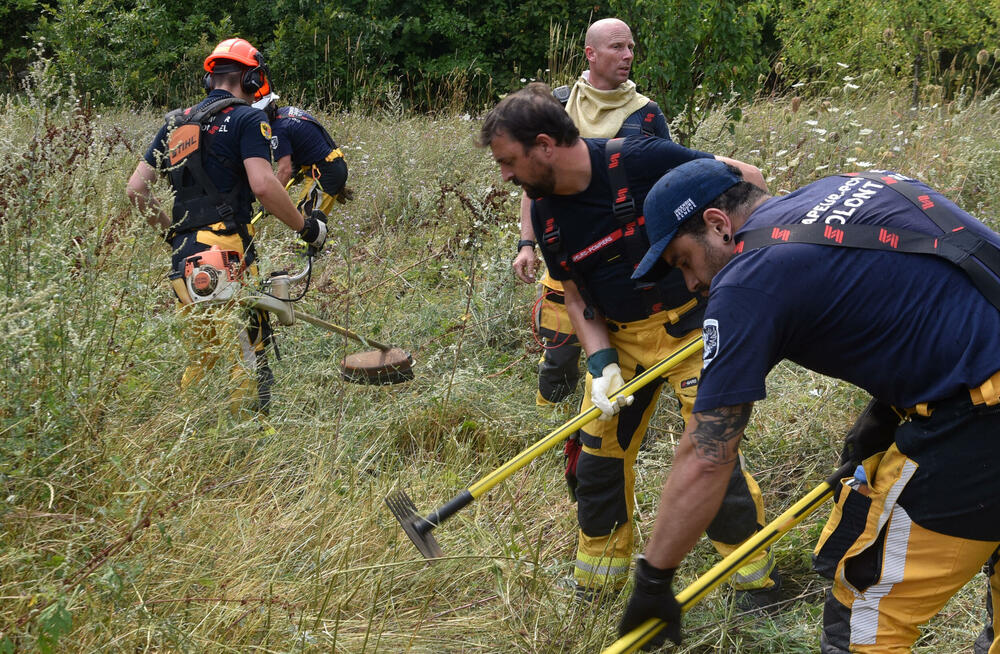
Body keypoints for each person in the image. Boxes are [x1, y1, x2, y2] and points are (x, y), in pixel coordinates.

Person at [618, 159, 1000, 653]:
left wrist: (654, 578)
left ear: (717, 224)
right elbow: (930, 289)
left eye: (683, 262)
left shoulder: (746, 278)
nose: (691, 284)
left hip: (980, 423)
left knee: (866, 614)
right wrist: (888, 408)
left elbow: (707, 453)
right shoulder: (862, 182)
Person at [478, 83, 781, 604]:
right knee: (595, 459)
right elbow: (575, 298)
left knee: (711, 453)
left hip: (689, 331)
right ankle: (599, 580)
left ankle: (754, 582)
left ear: (545, 145)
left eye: (509, 161)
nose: (504, 176)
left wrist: (751, 273)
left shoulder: (638, 158)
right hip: (620, 341)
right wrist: (601, 365)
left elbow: (747, 182)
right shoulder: (546, 214)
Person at [126, 37, 327, 416]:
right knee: (247, 352)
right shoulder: (249, 119)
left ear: (211, 79)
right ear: (251, 79)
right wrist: (306, 228)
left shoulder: (175, 121)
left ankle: (184, 432)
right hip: (227, 253)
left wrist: (174, 234)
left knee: (201, 356)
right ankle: (248, 439)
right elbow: (265, 185)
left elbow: (136, 190)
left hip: (182, 257)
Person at [513, 18, 670, 409]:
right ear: (591, 54)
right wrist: (526, 243)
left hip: (627, 264)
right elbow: (534, 184)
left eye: (631, 47)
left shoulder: (648, 115)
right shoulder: (556, 107)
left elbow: (667, 186)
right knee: (560, 353)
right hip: (567, 260)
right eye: (618, 47)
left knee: (625, 359)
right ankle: (549, 419)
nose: (628, 55)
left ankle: (621, 419)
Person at [253, 94, 351, 218]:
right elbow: (305, 140)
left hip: (324, 172)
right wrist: (297, 166)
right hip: (334, 162)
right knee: (310, 225)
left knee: (307, 226)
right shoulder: (287, 111)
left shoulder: (278, 130)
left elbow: (284, 170)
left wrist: (271, 201)